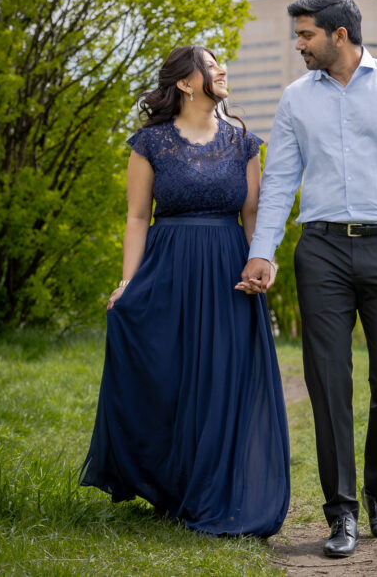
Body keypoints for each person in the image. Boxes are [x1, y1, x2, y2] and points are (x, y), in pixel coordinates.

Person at [239, 0, 377, 558]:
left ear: (340, 35)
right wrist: (264, 251)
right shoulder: (295, 100)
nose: (297, 45)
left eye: (305, 35)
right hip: (322, 250)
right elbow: (279, 181)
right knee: (328, 384)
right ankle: (341, 513)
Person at [81, 45, 290, 538]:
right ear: (186, 82)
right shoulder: (149, 143)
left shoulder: (243, 142)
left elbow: (253, 215)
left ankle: (217, 490)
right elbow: (136, 218)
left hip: (227, 274)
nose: (222, 70)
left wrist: (264, 261)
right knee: (169, 378)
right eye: (211, 63)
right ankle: (167, 487)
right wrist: (127, 282)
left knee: (222, 380)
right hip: (168, 269)